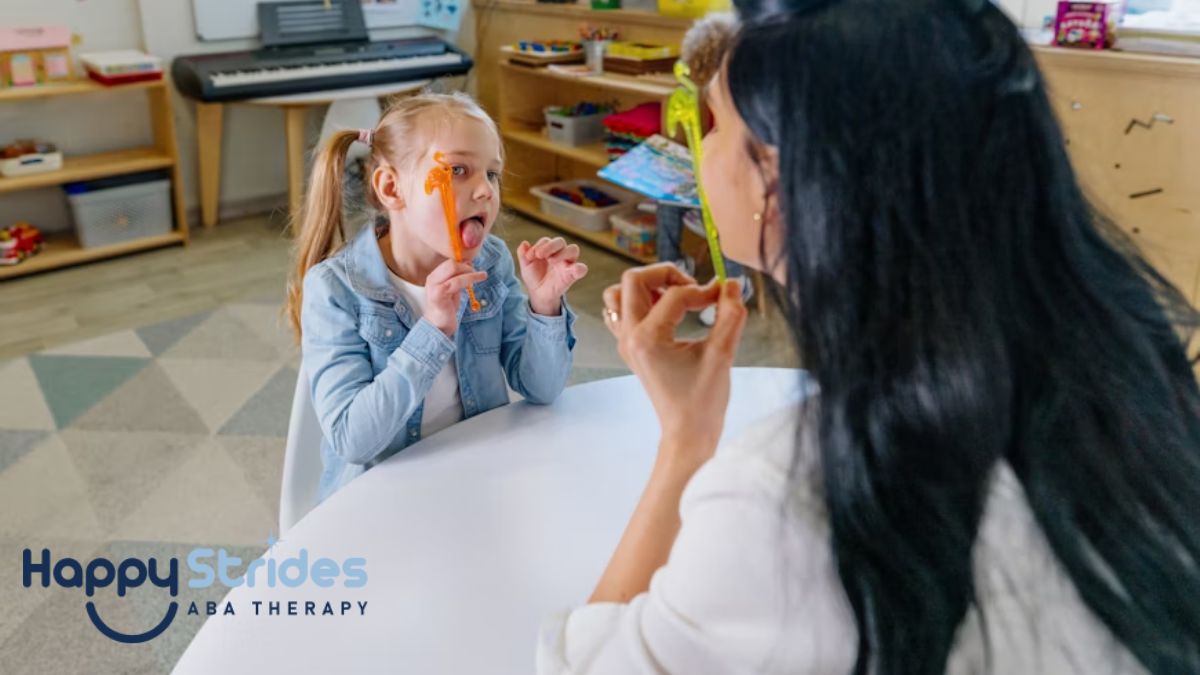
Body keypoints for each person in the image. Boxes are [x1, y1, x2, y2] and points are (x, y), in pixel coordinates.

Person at [538, 0, 1200, 672]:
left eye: (712, 124)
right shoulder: (1140, 367)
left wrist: (684, 447)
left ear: (776, 178)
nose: (698, 149)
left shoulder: (789, 498)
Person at [285, 92, 588, 501]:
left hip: (475, 473)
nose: (484, 190)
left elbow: (542, 388)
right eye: (459, 169)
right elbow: (352, 440)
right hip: (383, 497)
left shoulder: (491, 261)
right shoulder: (335, 289)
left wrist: (545, 306)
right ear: (392, 188)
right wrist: (434, 329)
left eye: (492, 174)